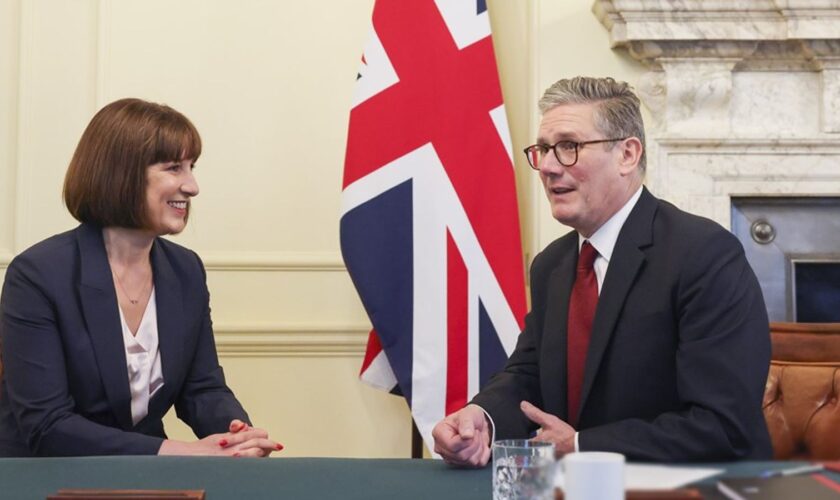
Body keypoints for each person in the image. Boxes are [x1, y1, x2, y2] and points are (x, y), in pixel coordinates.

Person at [432, 76, 772, 465]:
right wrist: (481, 418)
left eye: (568, 147)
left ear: (627, 154)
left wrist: (580, 446)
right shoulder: (552, 265)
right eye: (543, 149)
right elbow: (529, 375)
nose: (546, 166)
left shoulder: (704, 254)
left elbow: (721, 426)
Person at [0, 98, 281, 457]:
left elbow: (202, 388)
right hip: (45, 476)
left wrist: (236, 436)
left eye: (192, 167)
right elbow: (48, 425)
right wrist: (180, 452)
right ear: (122, 174)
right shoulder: (38, 275)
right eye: (174, 168)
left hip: (146, 475)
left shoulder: (186, 270)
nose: (192, 186)